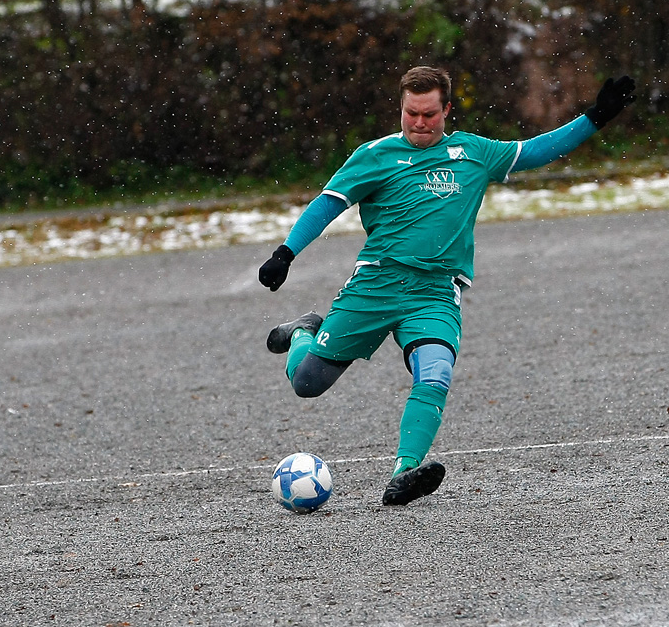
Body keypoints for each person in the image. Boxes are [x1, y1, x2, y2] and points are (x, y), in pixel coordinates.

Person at [259, 67, 636, 506]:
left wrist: (595, 117)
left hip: (435, 292)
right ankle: (305, 330)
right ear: (400, 109)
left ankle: (405, 470)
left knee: (435, 369)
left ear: (447, 111)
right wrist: (286, 253)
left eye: (429, 114)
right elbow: (328, 204)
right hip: (376, 284)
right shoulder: (375, 155)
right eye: (411, 114)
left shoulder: (474, 152)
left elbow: (535, 151)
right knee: (307, 383)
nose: (419, 123)